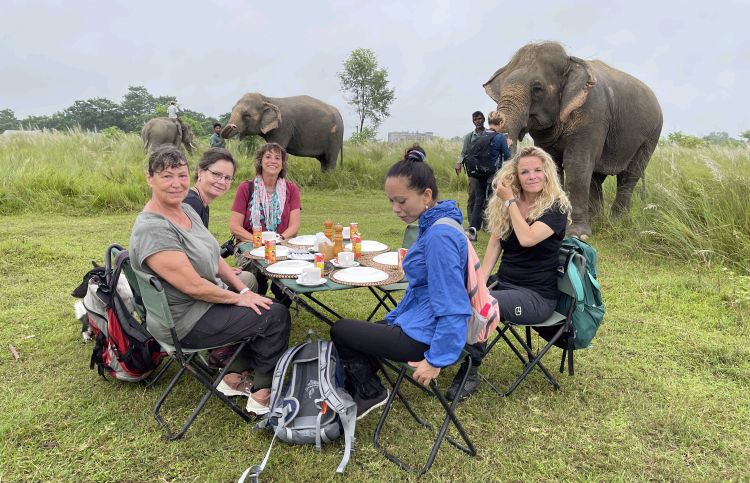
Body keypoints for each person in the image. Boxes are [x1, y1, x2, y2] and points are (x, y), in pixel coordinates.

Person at [129, 145, 291, 415]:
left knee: (255, 297)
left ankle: (232, 377)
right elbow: (194, 286)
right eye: (167, 176)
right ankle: (262, 395)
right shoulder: (153, 229)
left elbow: (214, 257)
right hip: (183, 321)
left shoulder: (185, 210)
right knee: (275, 315)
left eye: (181, 175)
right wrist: (240, 298)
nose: (176, 183)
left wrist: (241, 288)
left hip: (192, 307)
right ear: (150, 179)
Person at [330, 152, 472, 419]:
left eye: (402, 201)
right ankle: (347, 389)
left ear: (427, 195)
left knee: (342, 329)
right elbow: (423, 292)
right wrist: (394, 318)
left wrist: (436, 360)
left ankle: (370, 391)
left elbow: (453, 303)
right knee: (368, 332)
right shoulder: (434, 225)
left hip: (423, 337)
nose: (396, 208)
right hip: (417, 322)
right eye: (391, 201)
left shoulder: (440, 235)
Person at [445, 145, 572, 401]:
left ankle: (470, 371)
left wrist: (510, 201)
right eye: (525, 172)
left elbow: (526, 238)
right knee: (459, 290)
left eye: (538, 170)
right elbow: (495, 243)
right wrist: (478, 279)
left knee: (484, 304)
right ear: (516, 176)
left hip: (537, 297)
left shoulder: (556, 208)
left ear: (548, 173)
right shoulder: (512, 204)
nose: (532, 176)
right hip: (504, 284)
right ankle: (437, 349)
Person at [184, 148, 259, 368]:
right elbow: (186, 258)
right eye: (216, 174)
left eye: (227, 178)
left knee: (244, 277)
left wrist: (221, 267)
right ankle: (222, 346)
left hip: (195, 279)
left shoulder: (199, 202)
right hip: (190, 290)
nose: (222, 181)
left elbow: (198, 250)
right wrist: (218, 274)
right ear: (200, 172)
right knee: (249, 281)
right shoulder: (192, 204)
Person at [229, 143, 301, 301]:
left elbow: (294, 225)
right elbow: (235, 226)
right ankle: (256, 299)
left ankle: (281, 306)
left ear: (282, 164)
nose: (273, 161)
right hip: (251, 244)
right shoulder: (246, 188)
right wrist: (259, 241)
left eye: (278, 158)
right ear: (260, 161)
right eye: (268, 157)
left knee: (286, 281)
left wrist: (278, 240)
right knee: (256, 281)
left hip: (282, 244)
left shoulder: (292, 189)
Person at [466, 110, 512, 242]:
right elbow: (509, 158)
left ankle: (472, 231)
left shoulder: (481, 135)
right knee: (494, 202)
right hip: (493, 176)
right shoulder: (500, 138)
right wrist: (507, 146)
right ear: (501, 123)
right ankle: (496, 230)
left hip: (480, 174)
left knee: (478, 202)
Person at [454, 111, 486, 220]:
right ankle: (472, 220)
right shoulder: (469, 136)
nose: (478, 121)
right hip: (473, 170)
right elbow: (463, 153)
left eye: (480, 118)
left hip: (487, 170)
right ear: (473, 121)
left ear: (484, 119)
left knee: (486, 196)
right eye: (476, 119)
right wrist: (459, 163)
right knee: (472, 194)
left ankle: (485, 222)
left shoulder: (489, 134)